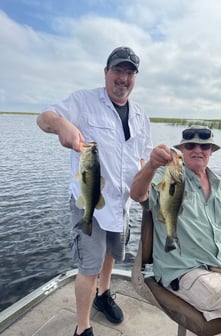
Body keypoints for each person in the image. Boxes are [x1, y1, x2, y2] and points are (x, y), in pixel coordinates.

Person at [37, 46, 152, 336]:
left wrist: (146, 188)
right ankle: (83, 327)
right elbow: (44, 117)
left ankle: (104, 294)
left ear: (134, 78)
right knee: (89, 265)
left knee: (112, 253)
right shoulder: (83, 101)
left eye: (129, 72)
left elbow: (141, 159)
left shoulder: (140, 115)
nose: (123, 78)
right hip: (90, 201)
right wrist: (62, 126)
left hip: (121, 204)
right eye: (118, 70)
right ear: (106, 72)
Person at [130, 125, 221, 336]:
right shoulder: (165, 174)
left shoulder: (220, 185)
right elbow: (137, 195)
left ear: (211, 150)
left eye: (204, 146)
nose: (198, 150)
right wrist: (150, 165)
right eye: (190, 146)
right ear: (182, 150)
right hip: (185, 269)